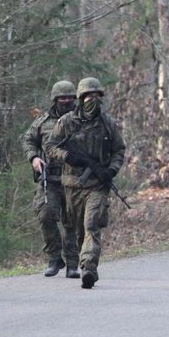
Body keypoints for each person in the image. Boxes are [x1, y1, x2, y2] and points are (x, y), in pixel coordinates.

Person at [45, 77, 127, 289]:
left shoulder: (108, 124)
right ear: (81, 98)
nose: (94, 100)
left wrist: (112, 169)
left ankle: (89, 268)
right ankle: (79, 260)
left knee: (92, 225)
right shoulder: (67, 122)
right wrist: (67, 157)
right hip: (72, 186)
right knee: (76, 229)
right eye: (89, 96)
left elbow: (119, 150)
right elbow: (51, 147)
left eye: (97, 96)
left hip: (97, 186)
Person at [20, 80, 80, 278]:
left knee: (71, 221)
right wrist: (34, 158)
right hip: (50, 179)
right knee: (45, 214)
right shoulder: (43, 122)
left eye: (70, 98)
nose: (66, 101)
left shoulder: (81, 119)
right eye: (62, 98)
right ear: (55, 99)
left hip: (74, 178)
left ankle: (73, 263)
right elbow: (28, 140)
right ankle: (54, 258)